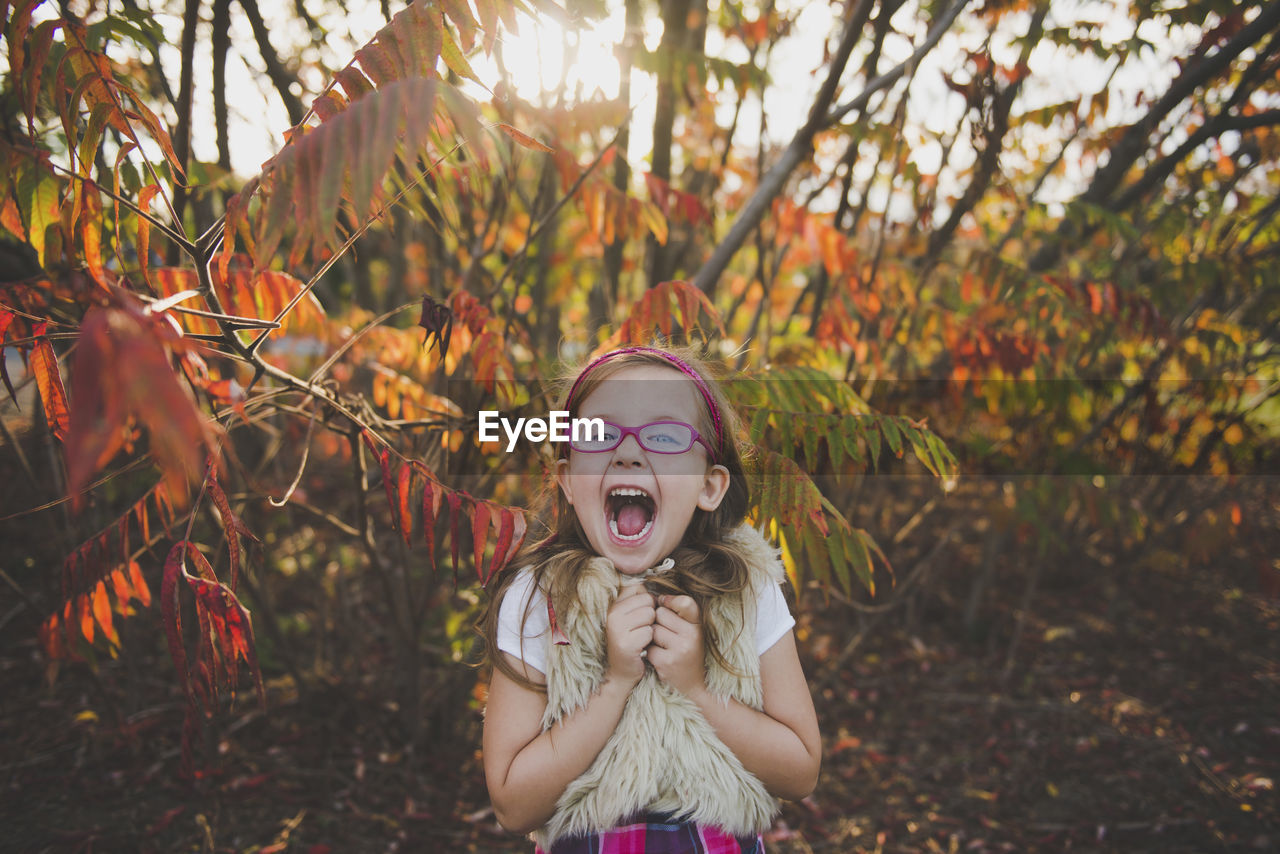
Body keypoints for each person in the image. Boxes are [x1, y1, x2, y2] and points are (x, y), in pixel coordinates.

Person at [481, 345, 821, 853]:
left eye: (663, 436)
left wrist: (697, 688)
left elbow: (800, 771)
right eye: (599, 434)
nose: (628, 451)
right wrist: (616, 685)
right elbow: (512, 804)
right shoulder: (540, 601)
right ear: (569, 479)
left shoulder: (747, 591)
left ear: (709, 486)